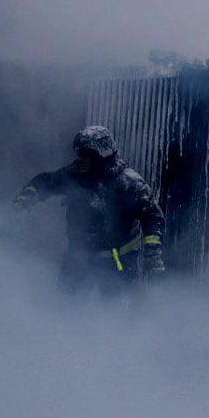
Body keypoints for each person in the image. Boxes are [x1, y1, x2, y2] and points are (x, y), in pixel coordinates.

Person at [14, 125, 165, 296]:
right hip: (79, 260)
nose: (81, 159)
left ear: (103, 156)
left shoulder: (129, 183)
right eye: (79, 153)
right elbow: (47, 181)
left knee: (116, 308)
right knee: (67, 304)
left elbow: (152, 216)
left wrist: (153, 252)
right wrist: (28, 196)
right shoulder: (75, 175)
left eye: (87, 154)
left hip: (119, 263)